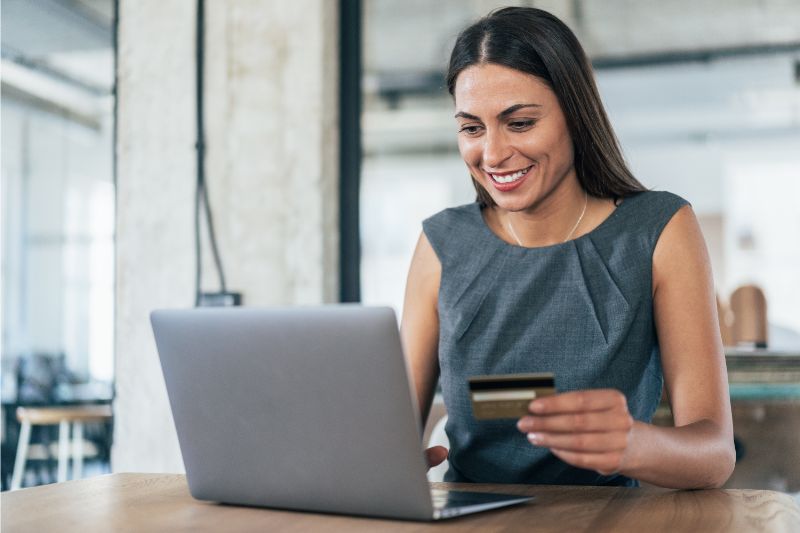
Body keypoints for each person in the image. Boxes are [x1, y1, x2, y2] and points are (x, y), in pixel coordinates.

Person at [401, 7, 735, 488]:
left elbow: (714, 453)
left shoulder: (658, 229)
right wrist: (390, 463)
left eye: (519, 123)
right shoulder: (441, 243)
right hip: (468, 520)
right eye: (472, 128)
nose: (492, 154)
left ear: (575, 116)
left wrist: (632, 445)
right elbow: (394, 433)